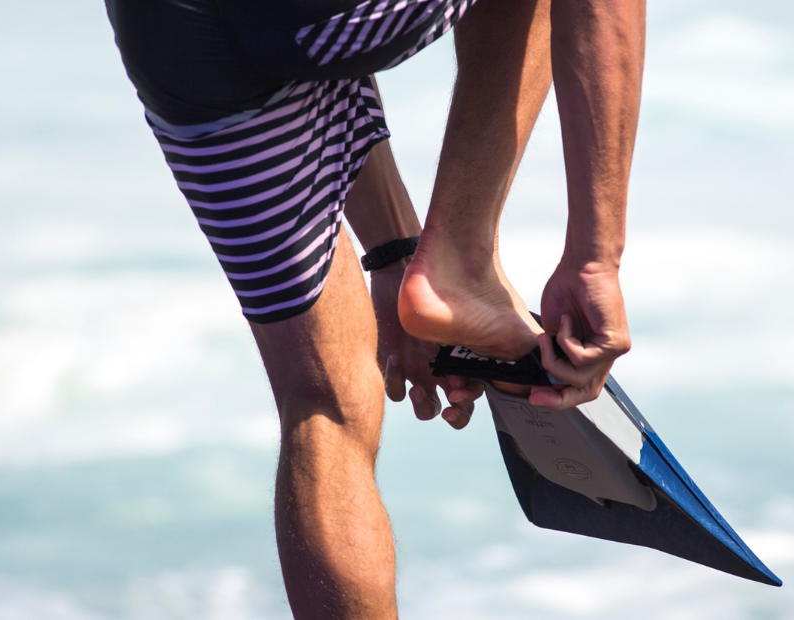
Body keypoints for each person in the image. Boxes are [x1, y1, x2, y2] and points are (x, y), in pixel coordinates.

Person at [104, 0, 644, 617]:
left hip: (172, 39)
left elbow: (300, 44)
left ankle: (447, 269)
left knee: (323, 405)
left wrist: (395, 252)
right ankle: (462, 260)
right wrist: (595, 257)